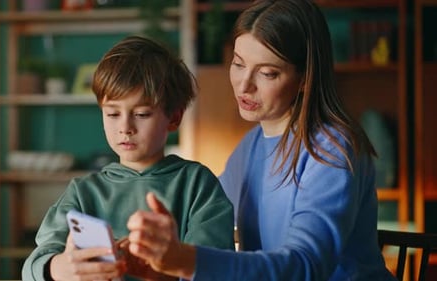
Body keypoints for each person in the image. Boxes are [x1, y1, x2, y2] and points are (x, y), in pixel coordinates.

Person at [124, 0, 397, 280]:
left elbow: (305, 266)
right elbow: (206, 222)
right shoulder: (252, 144)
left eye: (267, 73)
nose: (244, 85)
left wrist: (185, 261)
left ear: (305, 78)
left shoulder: (332, 150)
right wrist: (157, 264)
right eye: (239, 64)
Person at [21, 35, 235, 281]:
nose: (125, 127)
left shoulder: (197, 184)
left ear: (174, 118)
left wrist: (164, 269)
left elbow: (217, 268)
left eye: (142, 114)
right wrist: (61, 269)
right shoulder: (83, 192)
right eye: (112, 113)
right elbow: (32, 268)